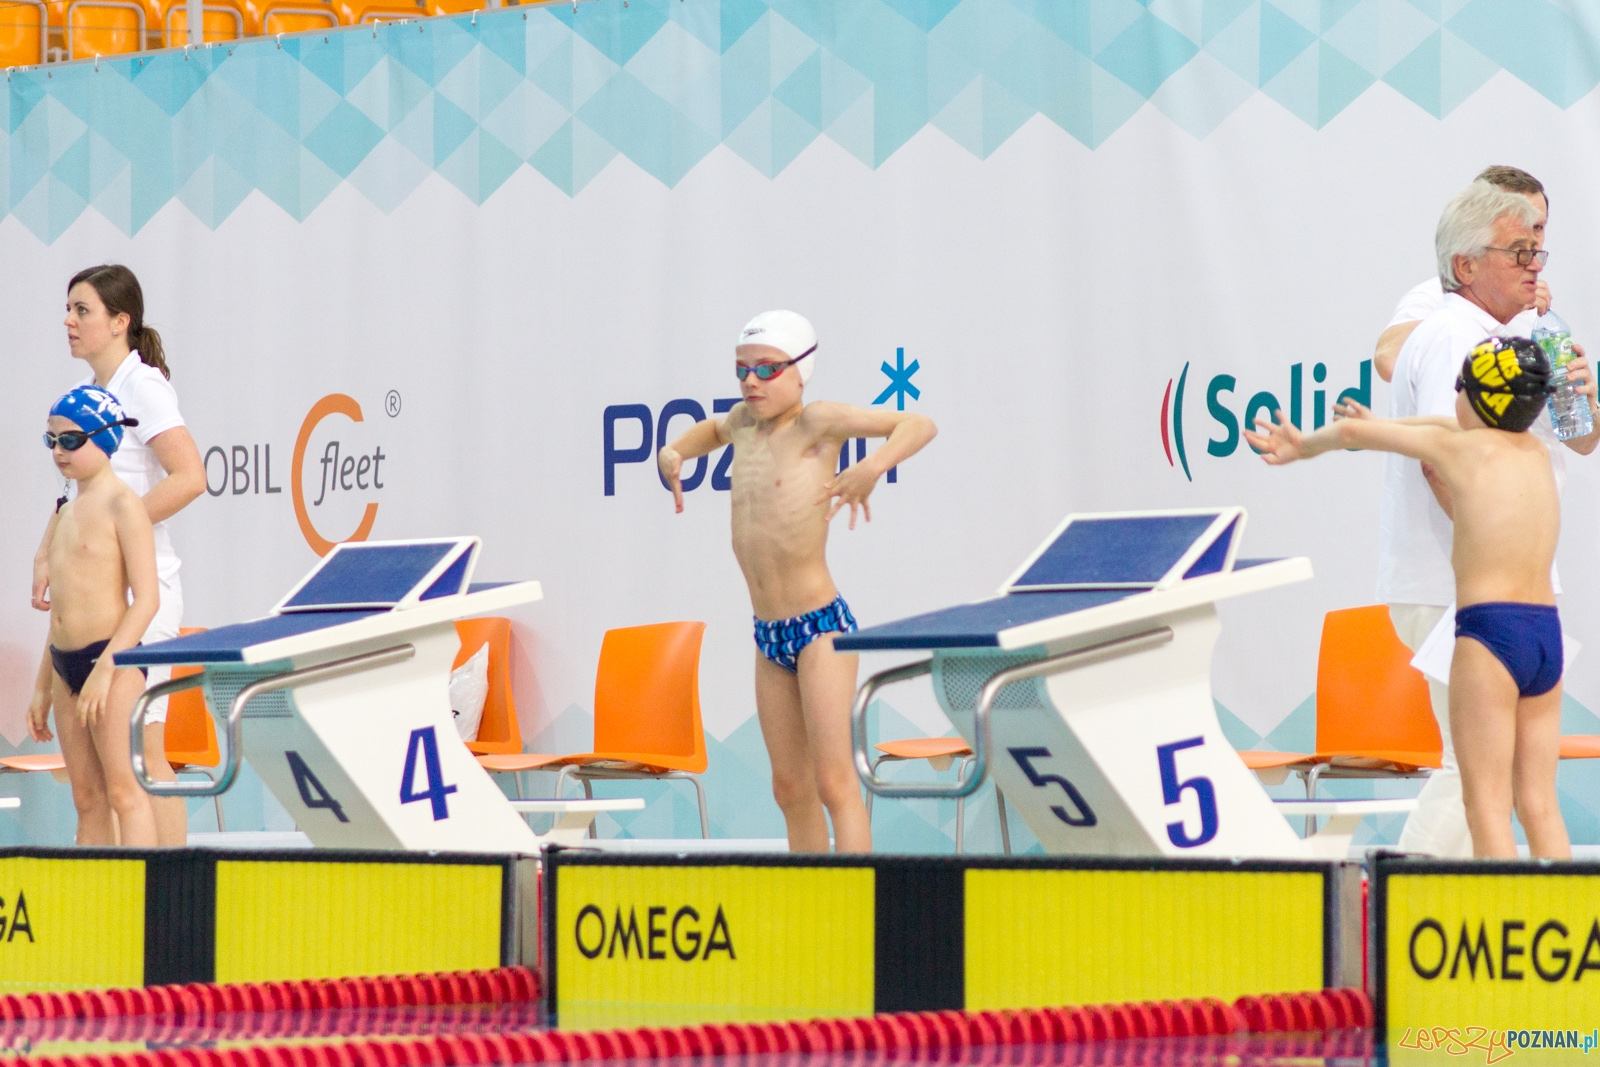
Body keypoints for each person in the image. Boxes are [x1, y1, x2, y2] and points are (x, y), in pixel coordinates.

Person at [1247, 338, 1570, 860]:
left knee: (1485, 804)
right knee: (1538, 802)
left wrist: (1302, 445)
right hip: (1545, 636)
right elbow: (1439, 422)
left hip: (1491, 634)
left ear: (1476, 397)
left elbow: (1353, 433)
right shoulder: (1538, 450)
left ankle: (1500, 920)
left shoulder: (1461, 450)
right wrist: (1386, 422)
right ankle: (1570, 927)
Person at [657, 311, 937, 853]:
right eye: (743, 371)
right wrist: (675, 452)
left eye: (767, 370)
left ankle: (858, 905)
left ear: (801, 371)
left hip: (820, 631)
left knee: (834, 784)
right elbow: (706, 432)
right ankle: (813, 905)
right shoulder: (740, 422)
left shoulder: (818, 422)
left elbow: (919, 424)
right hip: (769, 635)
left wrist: (873, 466)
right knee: (789, 789)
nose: (751, 382)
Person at [1380, 180, 1597, 858]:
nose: (1536, 266)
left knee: (1510, 784)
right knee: (1477, 776)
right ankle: (1390, 914)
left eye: (1540, 249)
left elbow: (1582, 435)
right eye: (1520, 250)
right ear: (1468, 265)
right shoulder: (1452, 331)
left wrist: (1582, 394)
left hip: (1508, 588)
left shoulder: (1525, 332)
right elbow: (1446, 464)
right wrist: (1498, 564)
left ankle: (1484, 934)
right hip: (1467, 584)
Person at [31, 266, 205, 847]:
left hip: (140, 593)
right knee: (97, 784)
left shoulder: (143, 387)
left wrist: (117, 531)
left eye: (82, 310)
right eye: (69, 308)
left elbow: (190, 476)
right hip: (97, 594)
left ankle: (172, 896)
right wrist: (48, 549)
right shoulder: (89, 400)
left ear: (119, 321)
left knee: (145, 752)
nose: (69, 321)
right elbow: (78, 497)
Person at [28, 386, 161, 848]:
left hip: (113, 662)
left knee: (124, 792)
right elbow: (58, 613)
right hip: (65, 667)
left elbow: (147, 600)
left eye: (71, 440)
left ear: (105, 439)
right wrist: (43, 684)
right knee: (86, 798)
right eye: (51, 441)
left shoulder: (123, 505)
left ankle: (146, 902)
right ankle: (97, 907)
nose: (59, 452)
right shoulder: (64, 511)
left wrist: (106, 671)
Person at [1373, 166, 1552, 383]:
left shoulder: (1538, 309)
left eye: (1537, 226)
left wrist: (1592, 408)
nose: (1530, 239)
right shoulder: (1437, 299)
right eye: (1514, 220)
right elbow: (1389, 362)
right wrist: (1473, 315)